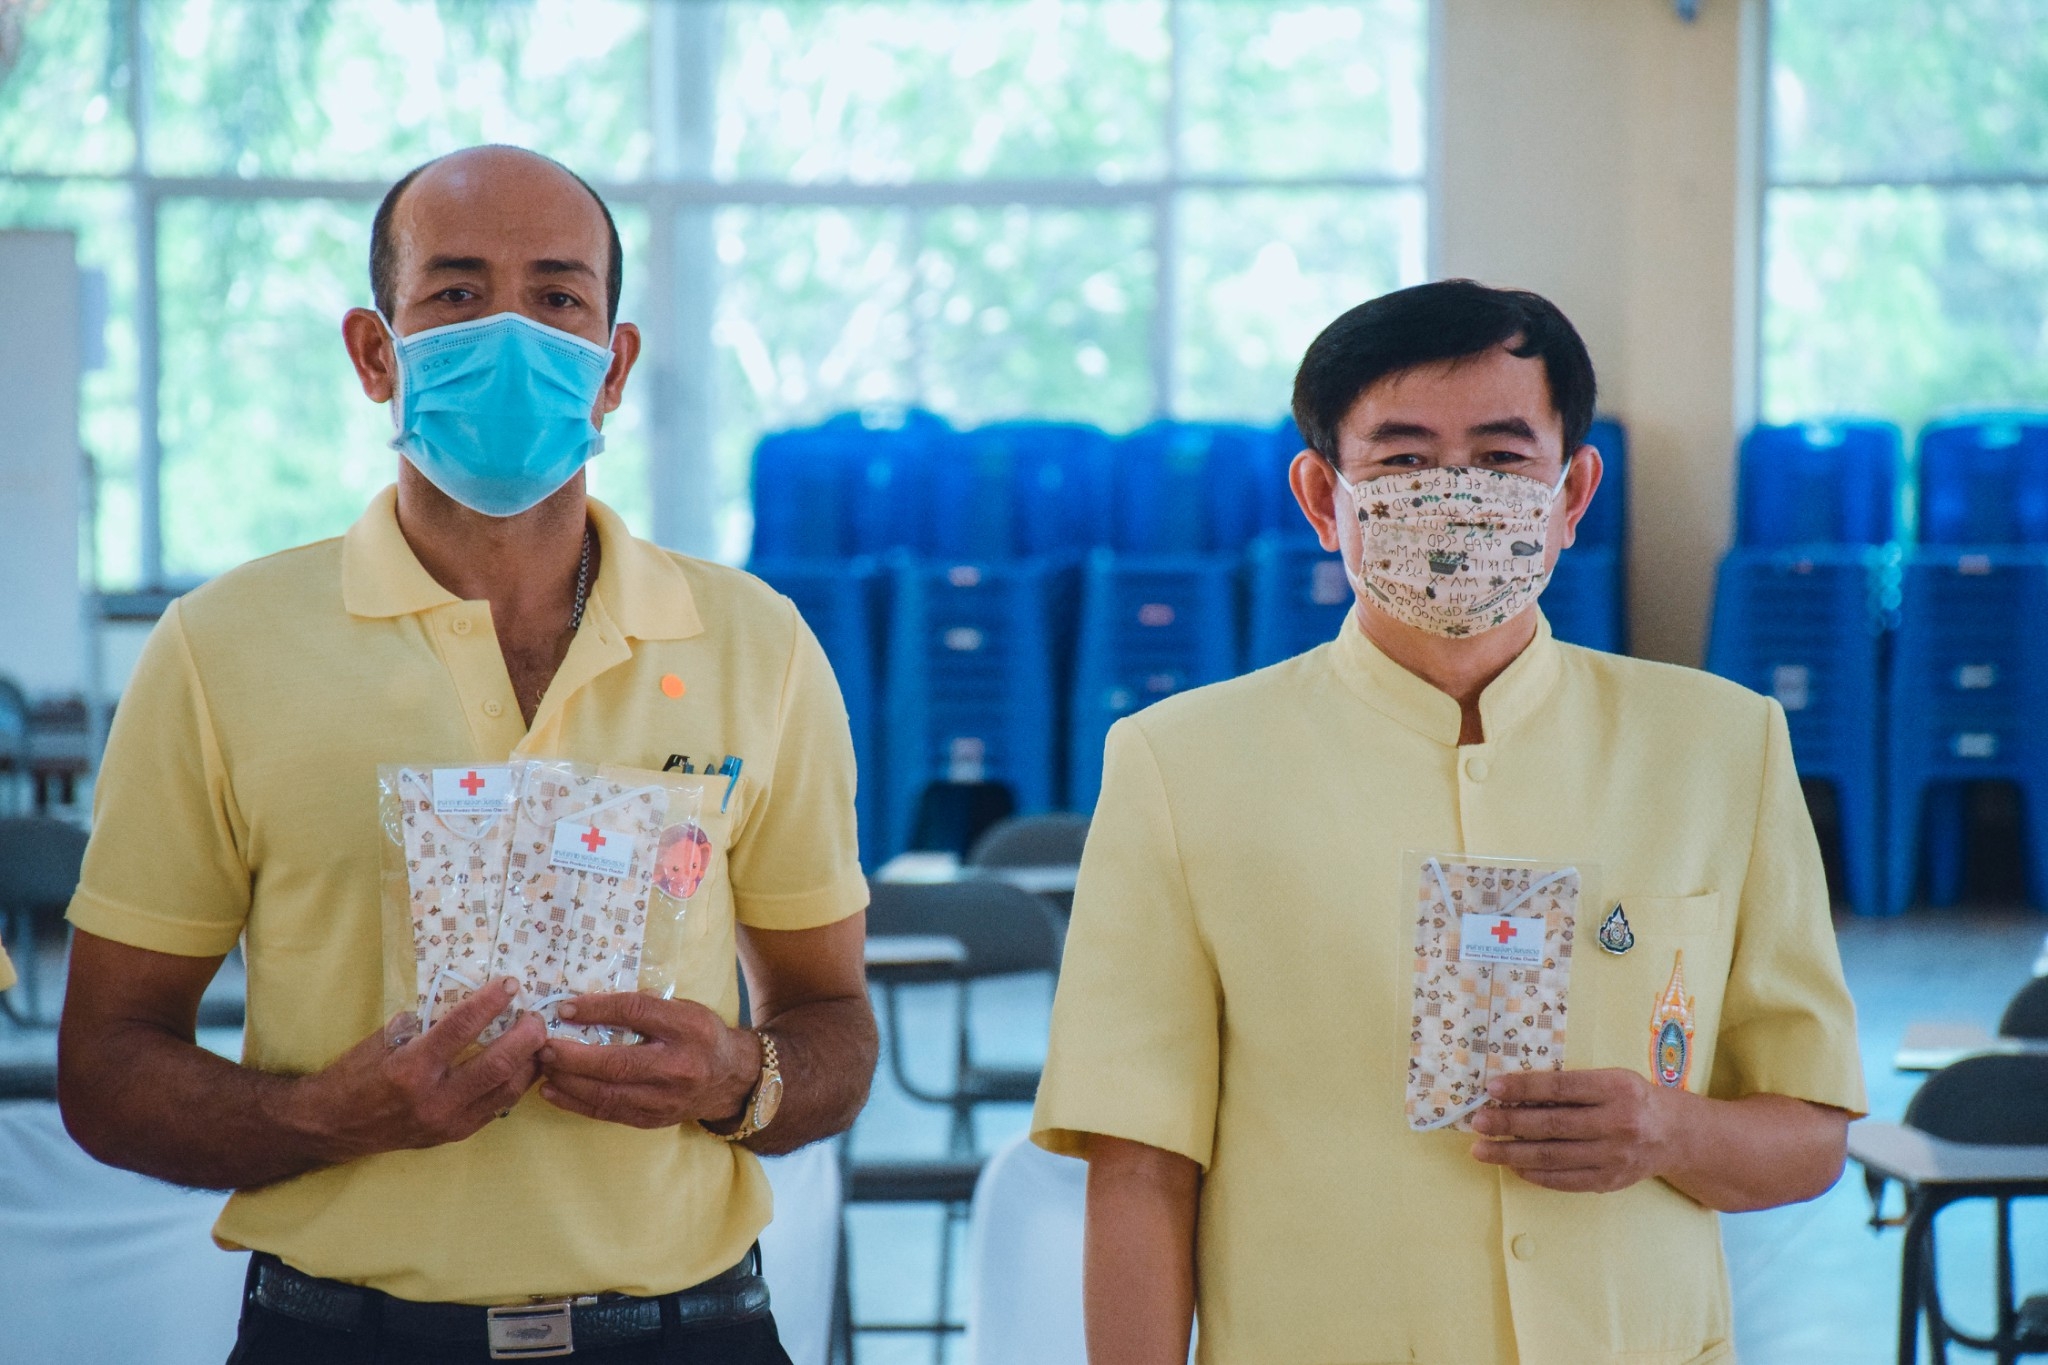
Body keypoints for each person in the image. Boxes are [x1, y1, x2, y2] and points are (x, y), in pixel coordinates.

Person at [58, 145, 876, 1365]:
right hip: (341, 1333)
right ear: (375, 353)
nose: (509, 335)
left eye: (556, 298)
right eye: (454, 292)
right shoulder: (220, 650)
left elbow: (834, 1025)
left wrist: (739, 1076)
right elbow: (105, 1069)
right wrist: (324, 1117)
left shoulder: (756, 643)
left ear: (615, 366)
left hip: (689, 1327)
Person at [1032, 280, 1865, 1365]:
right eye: (1403, 460)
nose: (1455, 495)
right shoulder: (1179, 765)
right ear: (1322, 497)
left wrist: (1669, 1129)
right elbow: (1140, 1166)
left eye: (1501, 457)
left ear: (1571, 493)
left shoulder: (1717, 747)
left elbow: (1806, 1138)